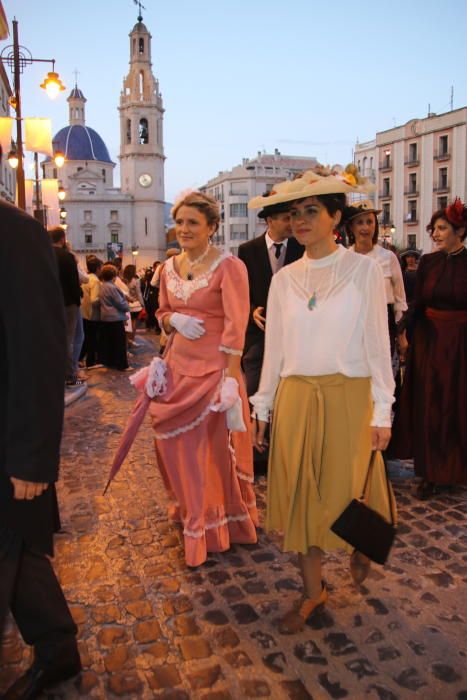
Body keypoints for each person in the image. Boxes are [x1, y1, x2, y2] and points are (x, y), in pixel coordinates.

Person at [249, 171, 396, 633]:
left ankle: (361, 541)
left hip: (348, 397)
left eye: (312, 210)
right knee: (300, 502)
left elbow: (378, 343)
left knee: (347, 491)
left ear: (337, 216)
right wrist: (263, 405)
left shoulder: (365, 271)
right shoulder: (284, 279)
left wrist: (383, 410)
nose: (300, 220)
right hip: (296, 398)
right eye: (294, 212)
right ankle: (313, 592)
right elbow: (276, 348)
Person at [0, 202, 81, 698]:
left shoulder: (15, 233)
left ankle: (57, 652)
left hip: (8, 439)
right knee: (19, 551)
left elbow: (39, 351)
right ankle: (57, 650)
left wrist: (33, 458)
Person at [152, 191, 258, 567]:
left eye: (192, 223)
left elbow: (236, 323)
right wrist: (171, 320)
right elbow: (162, 310)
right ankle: (188, 509)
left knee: (207, 453)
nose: (183, 229)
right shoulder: (167, 268)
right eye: (179, 222)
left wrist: (230, 379)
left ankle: (212, 524)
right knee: (175, 448)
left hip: (215, 371)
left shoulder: (229, 267)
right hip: (178, 369)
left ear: (212, 227)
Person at [390, 198, 467, 497]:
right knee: (431, 406)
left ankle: (455, 469)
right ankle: (431, 473)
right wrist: (400, 333)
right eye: (433, 228)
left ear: (460, 231)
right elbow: (417, 304)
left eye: (442, 228)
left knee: (457, 406)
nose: (434, 234)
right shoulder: (429, 263)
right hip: (430, 344)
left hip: (461, 345)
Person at [238, 198, 304, 475]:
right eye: (286, 218)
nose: (292, 223)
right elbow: (240, 291)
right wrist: (252, 311)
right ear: (270, 221)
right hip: (257, 336)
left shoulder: (302, 249)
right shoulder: (247, 250)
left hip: (295, 336)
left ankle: (286, 451)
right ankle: (257, 454)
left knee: (289, 394)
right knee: (254, 391)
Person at [344, 201, 407, 356]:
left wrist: (401, 333)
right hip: (351, 322)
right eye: (360, 222)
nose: (365, 227)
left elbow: (400, 299)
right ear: (351, 227)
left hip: (383, 321)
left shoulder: (388, 257)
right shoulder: (344, 258)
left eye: (370, 222)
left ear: (375, 226)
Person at [49, 227, 84, 387]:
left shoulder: (43, 254)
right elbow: (73, 281)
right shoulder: (67, 257)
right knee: (69, 339)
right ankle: (70, 376)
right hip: (69, 302)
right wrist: (77, 300)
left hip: (50, 302)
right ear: (62, 239)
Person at [99, 264, 131, 371]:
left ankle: (111, 362)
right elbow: (120, 302)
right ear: (114, 276)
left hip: (105, 317)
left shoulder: (103, 285)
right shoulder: (112, 287)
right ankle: (122, 365)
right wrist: (127, 306)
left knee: (109, 342)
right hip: (115, 318)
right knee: (119, 343)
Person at [80, 256, 103, 369]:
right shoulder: (95, 281)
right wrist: (102, 299)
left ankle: (80, 359)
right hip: (92, 314)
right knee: (92, 338)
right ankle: (91, 362)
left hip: (83, 312)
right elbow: (94, 300)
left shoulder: (86, 277)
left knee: (86, 338)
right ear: (98, 268)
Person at [123, 264, 145, 343]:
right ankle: (132, 339)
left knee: (127, 324)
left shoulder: (123, 280)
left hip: (125, 304)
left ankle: (127, 339)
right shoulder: (136, 280)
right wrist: (143, 304)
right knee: (134, 322)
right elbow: (139, 294)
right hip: (135, 305)